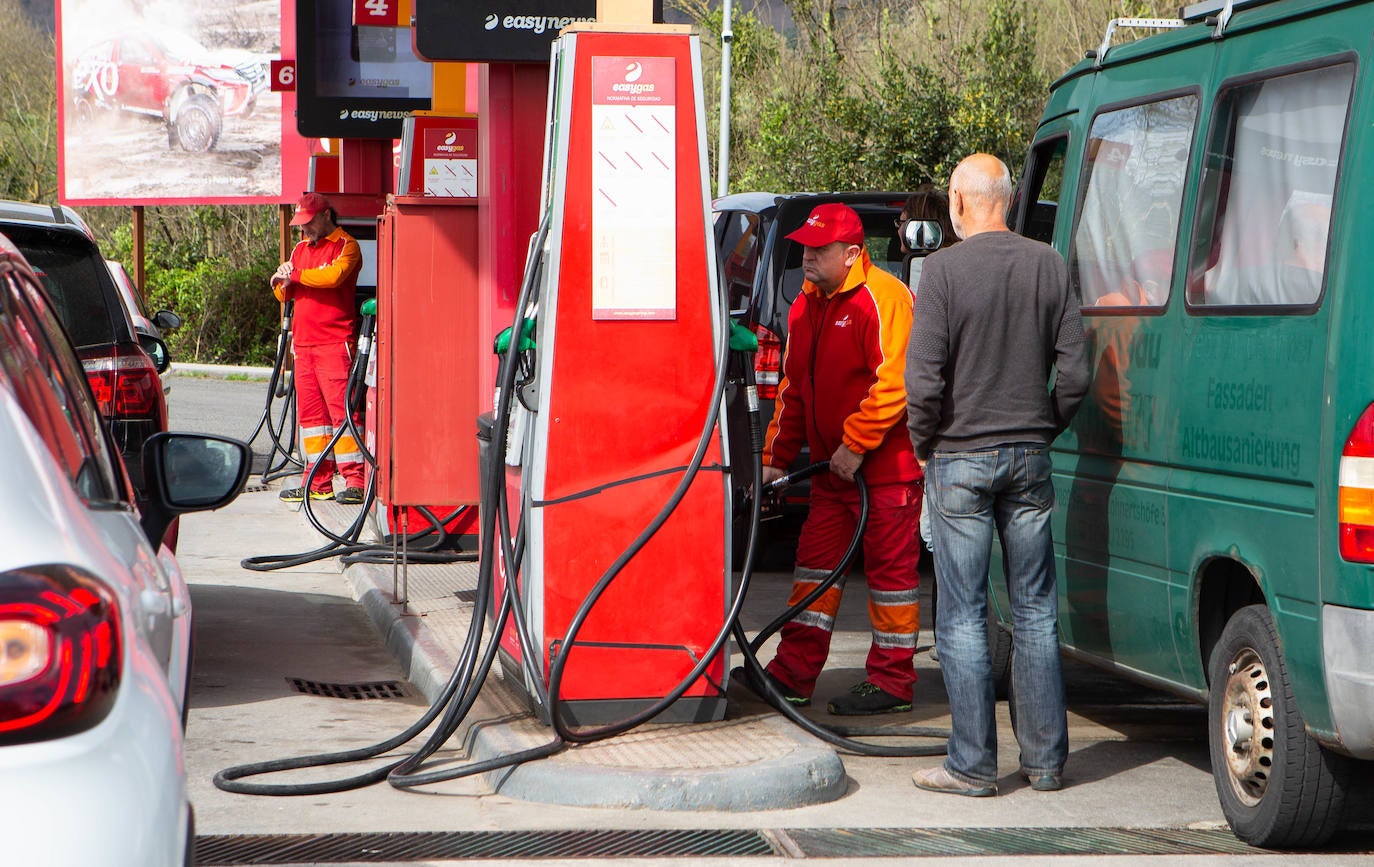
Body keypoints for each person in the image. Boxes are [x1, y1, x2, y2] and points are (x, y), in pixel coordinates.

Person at [905, 154, 1089, 796]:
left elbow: (923, 381)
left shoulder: (944, 272)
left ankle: (972, 764)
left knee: (962, 613)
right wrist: (1045, 427)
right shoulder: (1049, 264)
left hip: (958, 459)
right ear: (1008, 201)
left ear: (958, 201)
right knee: (1036, 609)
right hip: (1030, 457)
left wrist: (923, 443)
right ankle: (1044, 763)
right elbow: (1077, 374)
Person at [735, 202, 923, 716]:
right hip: (831, 474)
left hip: (885, 475)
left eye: (818, 250)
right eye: (804, 247)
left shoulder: (885, 299)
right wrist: (774, 457)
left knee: (891, 580)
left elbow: (896, 383)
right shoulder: (805, 304)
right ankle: (791, 677)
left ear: (853, 253)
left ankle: (892, 683)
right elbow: (794, 389)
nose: (806, 257)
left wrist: (855, 444)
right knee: (813, 572)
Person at [271, 192, 366, 505]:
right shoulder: (300, 249)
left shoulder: (346, 246)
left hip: (335, 344)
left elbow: (334, 277)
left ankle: (356, 481)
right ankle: (317, 481)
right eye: (302, 224)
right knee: (312, 420)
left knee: (343, 414)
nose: (305, 229)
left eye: (309, 222)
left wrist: (294, 275)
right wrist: (280, 282)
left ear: (326, 215)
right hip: (304, 345)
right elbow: (286, 295)